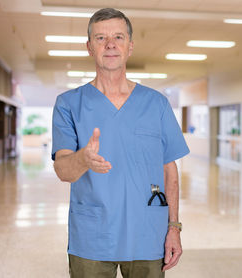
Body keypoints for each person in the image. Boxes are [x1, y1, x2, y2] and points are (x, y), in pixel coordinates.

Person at [51, 8, 189, 278]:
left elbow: (169, 170)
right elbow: (62, 170)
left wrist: (174, 226)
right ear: (89, 47)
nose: (110, 44)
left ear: (130, 46)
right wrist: (82, 159)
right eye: (101, 38)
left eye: (118, 37)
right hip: (92, 237)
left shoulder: (156, 103)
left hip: (148, 234)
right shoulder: (69, 104)